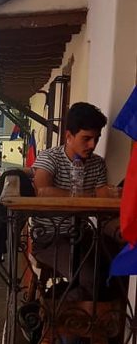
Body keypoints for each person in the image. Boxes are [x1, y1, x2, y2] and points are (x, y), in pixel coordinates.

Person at [32, 102, 118, 299]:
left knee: (117, 266)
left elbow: (104, 199)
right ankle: (55, 311)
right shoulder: (50, 157)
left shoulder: (97, 163)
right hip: (50, 238)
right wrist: (93, 196)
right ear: (68, 136)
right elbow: (43, 191)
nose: (92, 145)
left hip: (83, 234)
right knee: (88, 278)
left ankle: (90, 317)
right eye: (86, 138)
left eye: (96, 139)